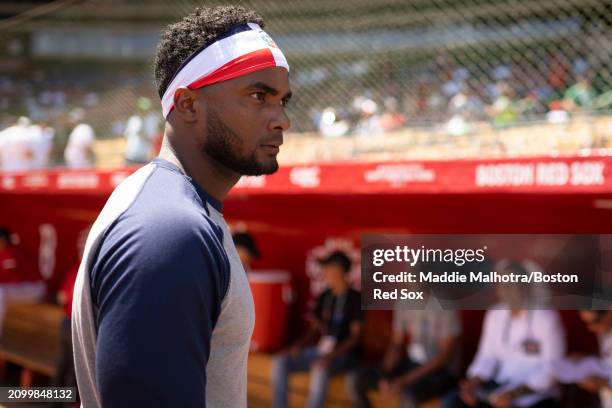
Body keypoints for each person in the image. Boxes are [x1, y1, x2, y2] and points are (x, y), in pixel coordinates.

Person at [71, 6, 291, 408]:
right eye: (259, 96)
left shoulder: (171, 206)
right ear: (188, 104)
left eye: (283, 100)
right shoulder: (170, 230)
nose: (281, 120)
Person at [443, 260, 566, 408]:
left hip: (534, 393)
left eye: (511, 284)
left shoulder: (545, 317)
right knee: (452, 402)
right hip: (500, 386)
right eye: (501, 285)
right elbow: (486, 356)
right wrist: (473, 383)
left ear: (525, 287)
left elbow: (552, 369)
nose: (505, 290)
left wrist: (513, 394)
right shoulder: (495, 314)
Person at [272, 250, 362, 408]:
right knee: (281, 361)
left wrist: (330, 356)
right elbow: (314, 329)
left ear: (339, 270)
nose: (324, 272)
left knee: (319, 368)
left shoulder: (355, 298)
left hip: (343, 355)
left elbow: (355, 337)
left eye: (328, 268)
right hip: (320, 350)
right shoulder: (325, 295)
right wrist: (298, 345)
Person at [347, 301, 461, 407]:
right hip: (411, 364)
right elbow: (396, 344)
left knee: (408, 396)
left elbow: (444, 356)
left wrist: (405, 380)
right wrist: (385, 375)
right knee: (355, 380)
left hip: (440, 371)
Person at [0, 227, 46, 337]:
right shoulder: (3, 253)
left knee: (0, 293)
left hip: (34, 288)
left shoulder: (14, 252)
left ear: (3, 240)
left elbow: (12, 278)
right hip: (22, 288)